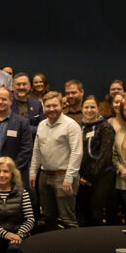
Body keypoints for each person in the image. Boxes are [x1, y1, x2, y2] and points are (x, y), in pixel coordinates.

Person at [30, 91, 84, 229]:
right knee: (48, 217)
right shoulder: (42, 125)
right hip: (44, 176)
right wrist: (32, 172)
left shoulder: (71, 125)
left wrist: (69, 177)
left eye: (55, 105)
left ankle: (73, 248)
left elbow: (77, 153)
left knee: (67, 219)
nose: (51, 109)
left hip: (64, 177)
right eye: (48, 106)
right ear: (43, 108)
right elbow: (37, 150)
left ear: (61, 105)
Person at [77, 96, 115, 227]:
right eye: (86, 107)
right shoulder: (80, 128)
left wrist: (89, 176)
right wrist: (80, 175)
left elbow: (105, 154)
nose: (89, 110)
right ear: (82, 109)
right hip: (83, 178)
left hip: (101, 176)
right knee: (83, 211)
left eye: (92, 107)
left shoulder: (105, 127)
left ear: (98, 109)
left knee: (96, 211)